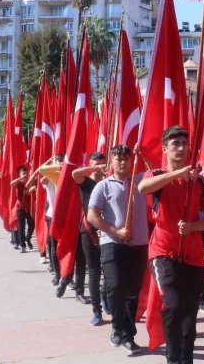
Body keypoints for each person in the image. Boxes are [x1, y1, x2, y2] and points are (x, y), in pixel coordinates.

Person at [137, 126, 204, 364]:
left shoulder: (200, 182)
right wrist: (177, 174)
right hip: (163, 252)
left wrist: (193, 227)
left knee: (189, 319)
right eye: (175, 144)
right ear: (165, 149)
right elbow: (143, 188)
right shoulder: (157, 175)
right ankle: (173, 359)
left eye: (184, 143)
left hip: (193, 255)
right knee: (172, 305)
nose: (181, 148)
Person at [87, 145, 148, 354]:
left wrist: (144, 155)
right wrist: (115, 231)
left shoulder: (140, 182)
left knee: (132, 291)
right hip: (112, 244)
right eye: (118, 159)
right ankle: (117, 326)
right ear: (111, 162)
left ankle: (128, 334)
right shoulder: (103, 186)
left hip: (138, 244)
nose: (122, 162)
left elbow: (159, 173)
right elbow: (92, 216)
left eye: (126, 159)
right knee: (115, 286)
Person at [71, 152, 108, 324]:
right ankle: (97, 311)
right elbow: (75, 174)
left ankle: (107, 299)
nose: (101, 165)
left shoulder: (108, 182)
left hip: (108, 230)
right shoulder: (86, 182)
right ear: (91, 163)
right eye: (96, 162)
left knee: (109, 271)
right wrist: (96, 168)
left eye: (103, 162)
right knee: (94, 271)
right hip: (89, 231)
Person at [10, 165, 35, 253]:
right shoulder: (19, 182)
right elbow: (12, 183)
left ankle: (28, 239)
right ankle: (23, 246)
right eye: (22, 172)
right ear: (19, 174)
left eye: (25, 172)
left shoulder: (30, 181)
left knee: (32, 225)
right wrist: (20, 178)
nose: (24, 174)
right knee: (21, 227)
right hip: (20, 207)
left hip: (29, 207)